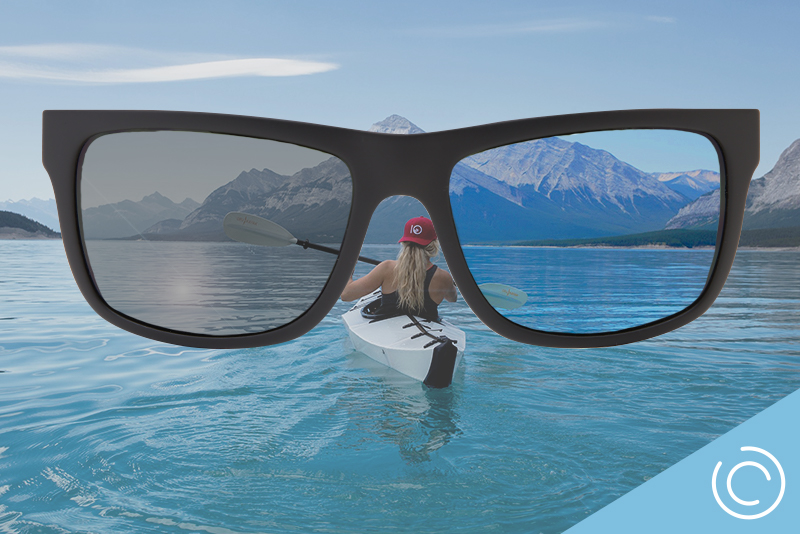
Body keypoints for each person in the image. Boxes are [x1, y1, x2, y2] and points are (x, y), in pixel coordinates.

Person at [341, 216, 457, 321]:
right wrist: (450, 284)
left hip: (386, 329)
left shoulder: (387, 268)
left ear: (404, 242)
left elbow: (346, 295)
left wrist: (348, 270)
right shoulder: (443, 277)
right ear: (433, 244)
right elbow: (452, 299)